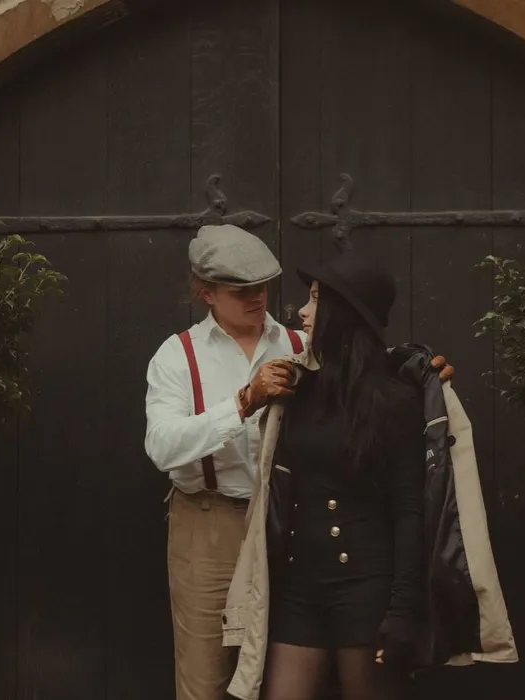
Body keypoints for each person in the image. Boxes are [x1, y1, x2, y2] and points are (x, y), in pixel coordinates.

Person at [144, 226, 453, 700]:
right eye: (241, 290)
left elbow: (357, 366)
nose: (256, 297)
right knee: (209, 678)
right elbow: (162, 447)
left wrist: (420, 372)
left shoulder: (298, 343)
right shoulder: (178, 355)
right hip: (213, 522)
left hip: (290, 530)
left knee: (277, 671)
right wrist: (244, 402)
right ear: (207, 293)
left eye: (262, 287)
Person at [221, 253, 517, 700]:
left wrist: (402, 610)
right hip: (299, 589)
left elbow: (408, 510)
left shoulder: (396, 399)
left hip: (367, 589)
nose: (302, 312)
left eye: (315, 300)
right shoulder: (296, 390)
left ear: (344, 313)